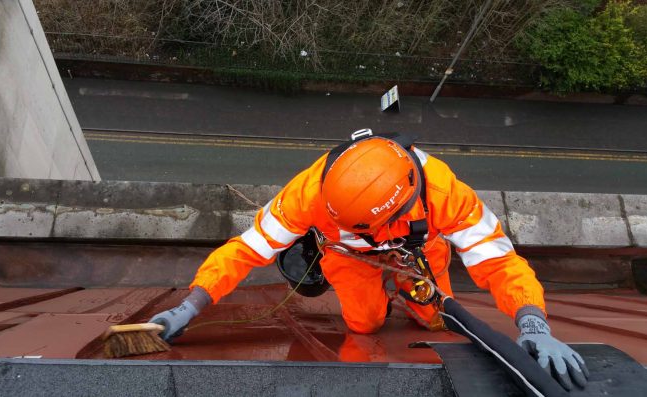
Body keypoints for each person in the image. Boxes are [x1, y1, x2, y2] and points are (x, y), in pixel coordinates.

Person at [150, 129, 589, 390]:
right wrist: (192, 304)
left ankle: (410, 294)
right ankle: (375, 295)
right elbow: (246, 251)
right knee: (364, 325)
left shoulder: (444, 193)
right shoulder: (307, 196)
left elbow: (497, 261)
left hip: (420, 254)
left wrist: (534, 324)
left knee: (435, 321)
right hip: (348, 258)